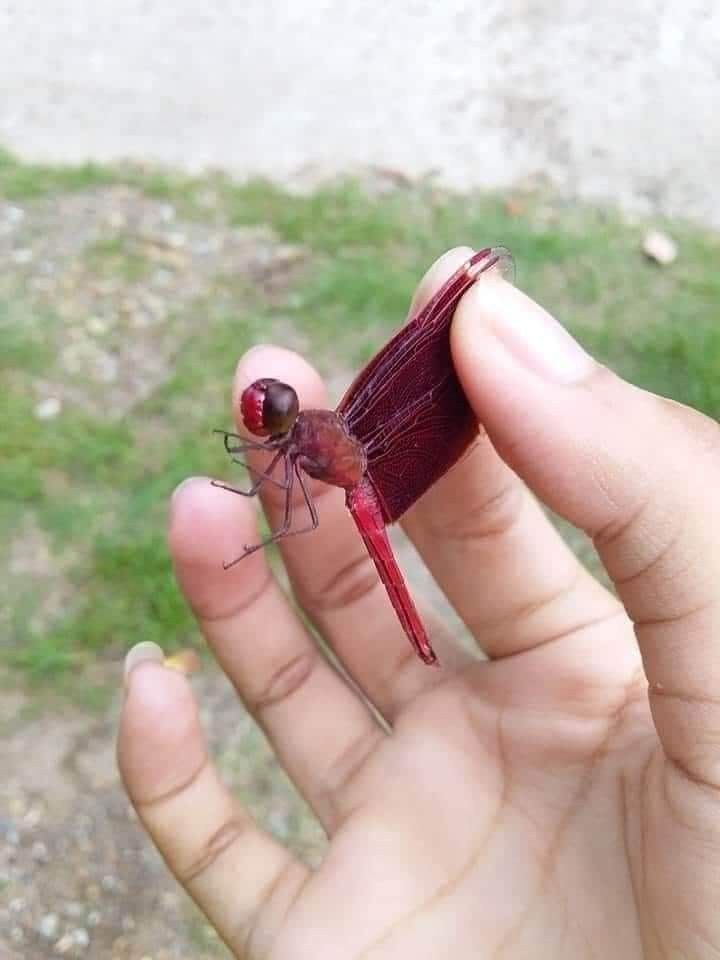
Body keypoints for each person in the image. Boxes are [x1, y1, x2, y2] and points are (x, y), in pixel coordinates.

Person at [117, 247, 720, 958]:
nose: (266, 413)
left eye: (272, 409)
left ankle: (415, 637)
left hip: (366, 487)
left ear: (288, 417)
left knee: (293, 513)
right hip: (365, 481)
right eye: (267, 412)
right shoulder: (318, 430)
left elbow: (295, 504)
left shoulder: (318, 439)